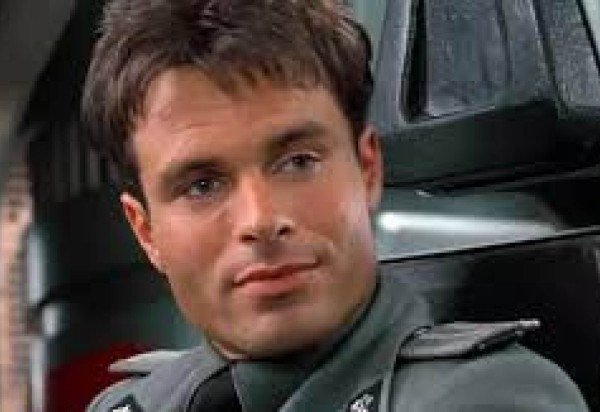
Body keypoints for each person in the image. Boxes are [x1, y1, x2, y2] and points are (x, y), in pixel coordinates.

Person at [81, 0, 589, 410]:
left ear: (367, 169)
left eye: (298, 162)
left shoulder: (486, 398)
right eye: (202, 186)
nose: (260, 219)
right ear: (146, 232)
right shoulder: (126, 406)